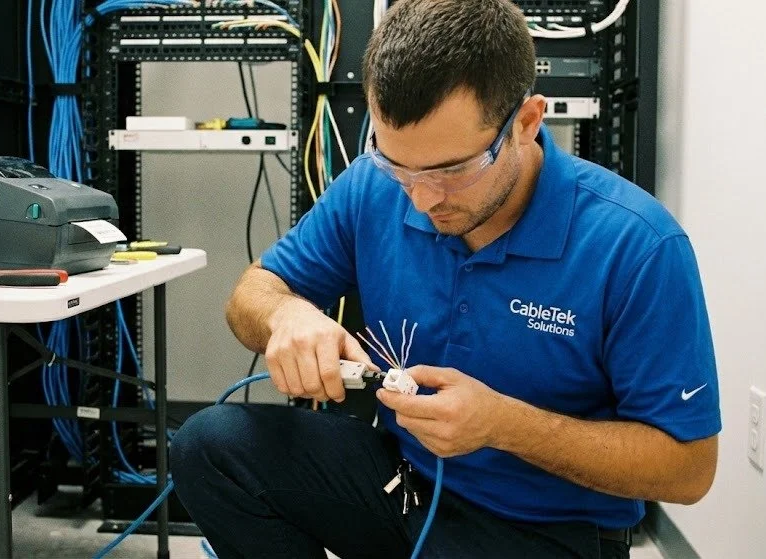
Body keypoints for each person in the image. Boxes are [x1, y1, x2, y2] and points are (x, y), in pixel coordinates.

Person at [170, 0, 721, 557]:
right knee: (209, 447)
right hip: (407, 488)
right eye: (396, 164)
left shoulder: (638, 245)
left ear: (527, 122)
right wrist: (286, 315)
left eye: (453, 170)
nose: (423, 197)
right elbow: (251, 294)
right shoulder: (373, 187)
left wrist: (504, 426)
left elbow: (689, 469)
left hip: (550, 529)